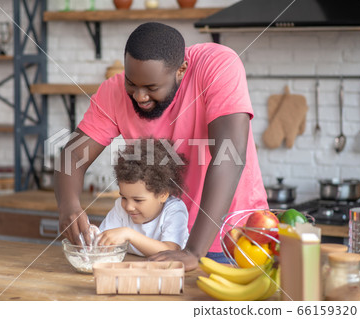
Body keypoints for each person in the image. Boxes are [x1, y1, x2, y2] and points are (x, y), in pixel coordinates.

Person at [55, 22, 268, 271]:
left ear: (181, 71)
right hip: (164, 247)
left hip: (233, 242)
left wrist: (193, 251)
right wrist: (69, 207)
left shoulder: (217, 65)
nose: (139, 96)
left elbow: (230, 155)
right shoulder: (112, 92)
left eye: (151, 88)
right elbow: (72, 154)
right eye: (131, 83)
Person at [97, 139, 189, 257]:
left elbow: (171, 252)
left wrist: (129, 234)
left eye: (138, 200)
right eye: (124, 197)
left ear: (163, 195)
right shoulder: (120, 208)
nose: (129, 207)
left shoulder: (174, 210)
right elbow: (103, 242)